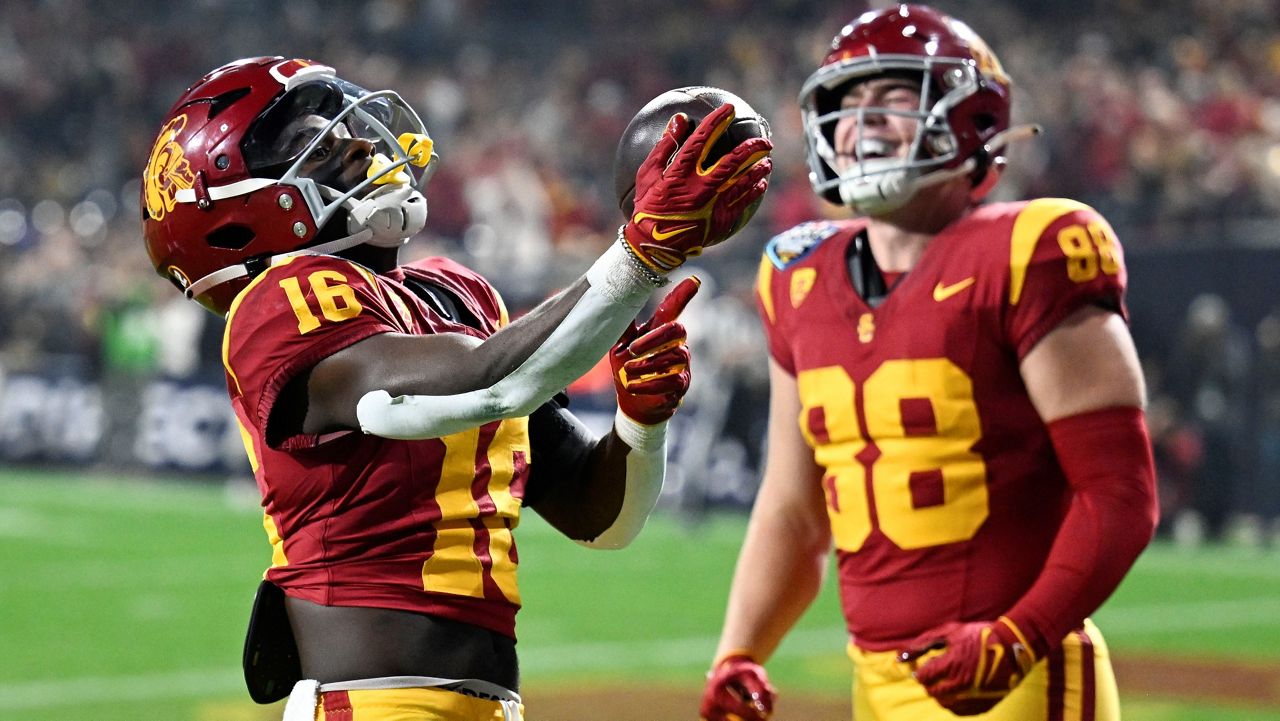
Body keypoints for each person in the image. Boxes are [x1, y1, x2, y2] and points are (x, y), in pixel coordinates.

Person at [142, 56, 771, 721]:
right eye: (312, 143)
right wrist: (642, 253)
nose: (356, 142)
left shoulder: (455, 290)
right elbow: (490, 381)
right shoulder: (276, 305)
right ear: (238, 210)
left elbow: (599, 515)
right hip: (373, 704)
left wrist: (641, 423)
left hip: (493, 704)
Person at [699, 6, 1157, 721]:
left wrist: (1018, 637)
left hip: (1018, 676)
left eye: (893, 99)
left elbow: (1120, 492)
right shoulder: (796, 273)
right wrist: (740, 649)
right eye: (848, 105)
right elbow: (794, 508)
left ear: (970, 119)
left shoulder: (1033, 249)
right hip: (874, 681)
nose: (863, 123)